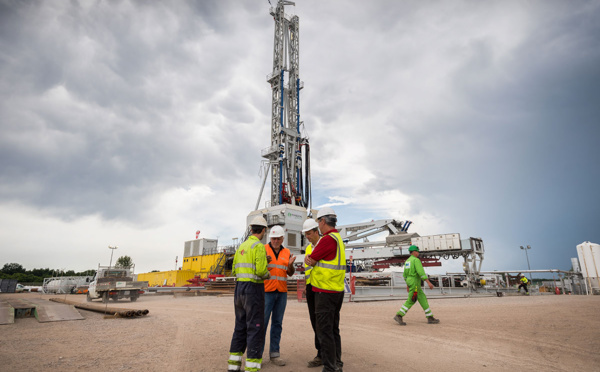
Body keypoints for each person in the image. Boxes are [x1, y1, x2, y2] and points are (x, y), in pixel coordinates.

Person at [304, 207, 346, 372]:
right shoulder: (337, 238)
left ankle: (330, 368)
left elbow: (312, 259)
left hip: (325, 291)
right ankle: (337, 363)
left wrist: (310, 259)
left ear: (322, 222)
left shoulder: (328, 239)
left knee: (325, 331)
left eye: (318, 223)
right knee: (333, 329)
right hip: (336, 290)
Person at [228, 216, 271, 372]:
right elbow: (260, 271)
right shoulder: (259, 246)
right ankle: (252, 368)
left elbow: (234, 270)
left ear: (251, 229)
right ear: (264, 230)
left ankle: (233, 366)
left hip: (239, 288)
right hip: (253, 290)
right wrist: (267, 274)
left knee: (240, 326)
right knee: (255, 327)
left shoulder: (241, 247)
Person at [261, 225, 296, 366]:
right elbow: (257, 269)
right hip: (266, 292)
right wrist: (265, 262)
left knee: (277, 324)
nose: (275, 241)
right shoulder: (263, 250)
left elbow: (290, 273)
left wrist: (290, 265)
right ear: (270, 238)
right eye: (273, 238)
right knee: (261, 324)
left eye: (278, 238)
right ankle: (256, 356)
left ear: (282, 238)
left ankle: (275, 355)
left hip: (281, 293)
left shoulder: (287, 252)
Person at [393, 245, 440, 325]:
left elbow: (405, 275)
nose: (418, 253)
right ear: (414, 252)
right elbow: (420, 272)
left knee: (422, 298)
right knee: (412, 298)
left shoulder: (407, 261)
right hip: (415, 283)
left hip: (411, 282)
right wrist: (428, 282)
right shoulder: (416, 260)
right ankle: (399, 315)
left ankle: (430, 317)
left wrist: (408, 284)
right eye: (418, 251)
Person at [302, 218, 323, 368]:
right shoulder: (309, 248)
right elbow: (308, 269)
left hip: (323, 288)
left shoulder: (325, 245)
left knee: (324, 322)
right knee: (314, 321)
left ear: (317, 231)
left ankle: (326, 354)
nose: (308, 237)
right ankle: (320, 353)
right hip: (311, 288)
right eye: (306, 235)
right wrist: (305, 284)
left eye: (309, 234)